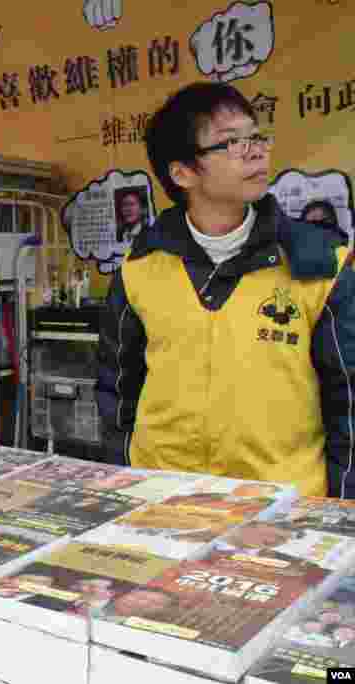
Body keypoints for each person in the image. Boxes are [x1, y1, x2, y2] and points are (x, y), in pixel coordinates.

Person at [96, 82, 355, 498]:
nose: (256, 152)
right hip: (161, 497)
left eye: (257, 137)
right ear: (182, 173)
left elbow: (347, 402)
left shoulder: (319, 264)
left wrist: (341, 511)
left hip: (279, 507)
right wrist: (125, 473)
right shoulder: (140, 266)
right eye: (231, 142)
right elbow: (118, 386)